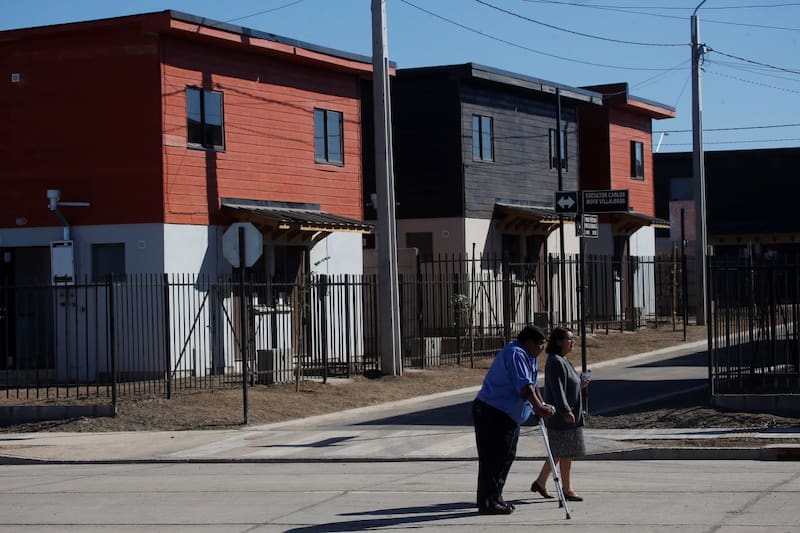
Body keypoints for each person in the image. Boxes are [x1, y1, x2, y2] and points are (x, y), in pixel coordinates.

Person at [472, 325, 555, 515]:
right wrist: (538, 407)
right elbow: (525, 387)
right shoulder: (516, 353)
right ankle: (488, 502)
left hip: (508, 416)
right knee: (494, 458)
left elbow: (533, 384)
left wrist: (541, 405)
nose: (542, 348)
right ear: (529, 342)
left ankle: (495, 497)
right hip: (493, 412)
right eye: (540, 343)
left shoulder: (529, 356)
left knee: (505, 457)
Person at [530, 326, 590, 503]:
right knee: (565, 452)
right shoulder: (555, 361)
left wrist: (581, 384)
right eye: (569, 339)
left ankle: (541, 482)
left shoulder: (563, 360)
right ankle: (567, 489)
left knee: (559, 451)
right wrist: (565, 410)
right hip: (562, 415)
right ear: (558, 341)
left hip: (569, 413)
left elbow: (568, 384)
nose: (573, 342)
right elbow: (557, 389)